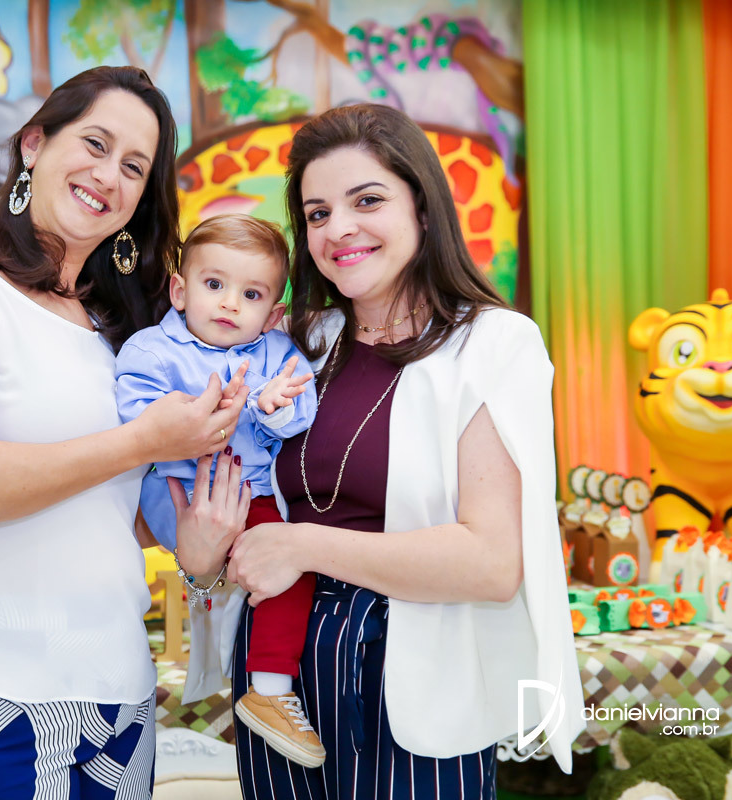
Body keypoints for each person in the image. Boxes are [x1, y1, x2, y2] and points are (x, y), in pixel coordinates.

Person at [173, 104, 585, 799]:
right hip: (279, 670)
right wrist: (206, 556)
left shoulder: (492, 344)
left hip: (414, 673)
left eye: (366, 201)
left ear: (422, 208)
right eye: (317, 213)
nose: (339, 228)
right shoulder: (298, 344)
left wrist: (302, 546)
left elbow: (491, 564)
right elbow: (238, 507)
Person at [0, 66, 249, 799]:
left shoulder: (122, 333)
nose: (109, 175)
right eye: (95, 144)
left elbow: (110, 512)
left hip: (114, 698)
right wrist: (144, 443)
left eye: (134, 167)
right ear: (34, 143)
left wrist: (202, 542)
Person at [114, 214, 324, 767]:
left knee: (288, 564)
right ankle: (266, 680)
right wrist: (202, 416)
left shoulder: (277, 352)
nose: (230, 304)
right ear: (180, 291)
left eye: (251, 294)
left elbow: (302, 408)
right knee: (270, 563)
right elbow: (135, 418)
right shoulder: (151, 351)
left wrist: (272, 408)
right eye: (214, 284)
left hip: (253, 495)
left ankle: (269, 690)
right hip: (181, 496)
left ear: (272, 313)